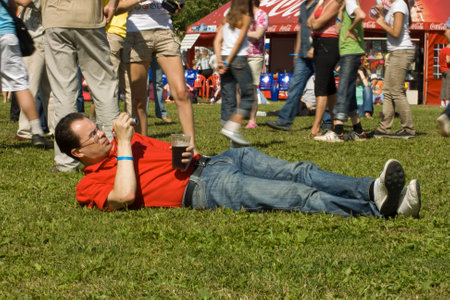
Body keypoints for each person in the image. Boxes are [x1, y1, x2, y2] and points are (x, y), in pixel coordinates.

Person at [55, 112, 421, 219]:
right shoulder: (87, 186)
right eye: (94, 137)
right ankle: (381, 212)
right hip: (205, 189)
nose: (103, 135)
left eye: (100, 129)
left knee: (302, 170)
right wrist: (120, 144)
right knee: (296, 194)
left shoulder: (131, 141)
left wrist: (182, 154)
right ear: (77, 154)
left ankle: (372, 189)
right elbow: (125, 194)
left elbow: (173, 156)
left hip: (218, 160)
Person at [41, 0, 121, 172]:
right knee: (104, 88)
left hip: (55, 18)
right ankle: (117, 153)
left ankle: (66, 162)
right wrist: (112, 4)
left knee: (63, 92)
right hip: (89, 17)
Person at [116, 0, 196, 152]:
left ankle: (192, 148)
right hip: (135, 33)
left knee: (181, 92)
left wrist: (178, 6)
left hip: (165, 32)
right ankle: (143, 149)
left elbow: (177, 9)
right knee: (138, 99)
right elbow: (116, 8)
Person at [314, 0, 368, 142]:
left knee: (343, 90)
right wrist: (339, 13)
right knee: (348, 92)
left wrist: (350, 30)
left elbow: (361, 15)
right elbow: (338, 30)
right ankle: (358, 131)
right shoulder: (345, 6)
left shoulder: (350, 1)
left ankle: (338, 131)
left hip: (351, 51)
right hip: (347, 52)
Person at [0, 0, 50, 148]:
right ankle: (36, 132)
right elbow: (14, 6)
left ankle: (27, 131)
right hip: (8, 33)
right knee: (21, 85)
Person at [266, 0, 320, 132]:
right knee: (295, 86)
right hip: (303, 54)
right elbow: (301, 30)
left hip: (319, 52)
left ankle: (329, 121)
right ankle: (284, 121)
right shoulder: (303, 5)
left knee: (324, 88)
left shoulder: (321, 4)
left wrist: (315, 46)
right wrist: (296, 53)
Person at [371, 0, 416, 139]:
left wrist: (381, 22)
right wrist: (383, 14)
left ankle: (408, 128)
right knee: (388, 91)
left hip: (402, 51)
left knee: (395, 91)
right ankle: (384, 128)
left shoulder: (399, 5)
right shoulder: (396, 6)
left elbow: (396, 33)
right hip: (397, 51)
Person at [213, 0, 254, 146]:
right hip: (237, 59)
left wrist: (220, 61)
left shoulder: (226, 18)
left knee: (228, 97)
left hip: (224, 57)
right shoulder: (246, 17)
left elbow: (217, 41)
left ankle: (232, 137)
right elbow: (238, 42)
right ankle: (231, 127)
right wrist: (227, 62)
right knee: (249, 95)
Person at [306, 0, 343, 138]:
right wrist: (314, 23)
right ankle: (334, 123)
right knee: (329, 85)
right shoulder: (321, 1)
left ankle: (315, 128)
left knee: (321, 86)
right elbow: (309, 22)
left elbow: (316, 23)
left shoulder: (335, 3)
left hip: (329, 44)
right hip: (318, 43)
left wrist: (314, 23)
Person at [103, 0, 132, 115]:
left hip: (114, 32)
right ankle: (129, 121)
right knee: (129, 84)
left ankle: (111, 121)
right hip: (126, 33)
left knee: (111, 82)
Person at [244, 0, 268, 129]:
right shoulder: (241, 14)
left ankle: (252, 120)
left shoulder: (261, 15)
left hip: (255, 56)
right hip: (240, 54)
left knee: (252, 88)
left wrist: (241, 33)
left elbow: (258, 34)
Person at [437, 25, 450, 137]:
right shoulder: (448, 50)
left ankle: (443, 104)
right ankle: (447, 106)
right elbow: (448, 60)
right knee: (449, 87)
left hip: (442, 70)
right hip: (449, 69)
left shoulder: (442, 50)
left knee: (444, 87)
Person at [150, 58, 173, 123]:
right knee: (144, 86)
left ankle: (161, 113)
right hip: (142, 51)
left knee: (158, 83)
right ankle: (143, 114)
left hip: (156, 52)